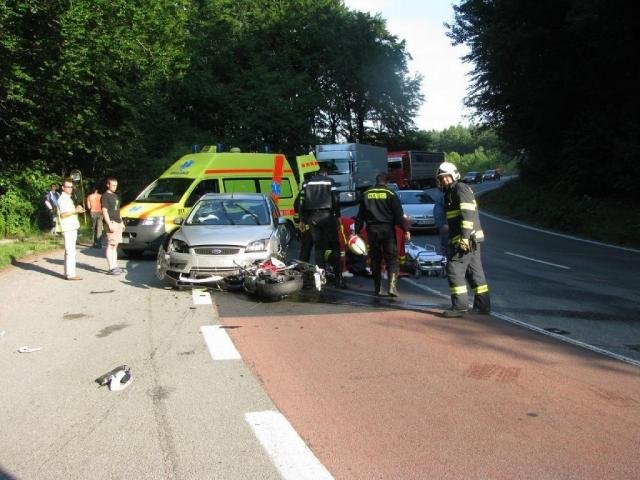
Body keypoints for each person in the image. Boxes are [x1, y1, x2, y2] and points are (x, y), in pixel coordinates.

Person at [436, 161, 490, 317]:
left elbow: (467, 215)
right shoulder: (451, 192)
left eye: (446, 177)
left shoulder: (460, 188)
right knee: (475, 272)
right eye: (442, 178)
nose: (444, 180)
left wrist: (465, 239)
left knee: (454, 268)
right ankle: (482, 306)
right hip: (468, 238)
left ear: (453, 175)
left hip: (466, 238)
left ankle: (460, 307)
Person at [355, 173, 410, 297]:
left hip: (372, 231)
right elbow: (398, 216)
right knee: (392, 259)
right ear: (387, 182)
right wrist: (406, 229)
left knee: (375, 259)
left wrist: (357, 232)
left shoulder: (366, 194)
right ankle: (392, 287)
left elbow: (360, 216)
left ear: (376, 181)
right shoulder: (390, 194)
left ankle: (378, 288)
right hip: (387, 231)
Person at [298, 166, 345, 288]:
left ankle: (322, 277)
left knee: (319, 247)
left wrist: (302, 219)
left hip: (312, 218)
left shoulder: (306, 183)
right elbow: (335, 198)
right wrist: (338, 215)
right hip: (327, 216)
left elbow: (301, 202)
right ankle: (338, 278)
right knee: (334, 246)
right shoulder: (329, 181)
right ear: (325, 173)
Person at [57, 179, 85, 280]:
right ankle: (70, 274)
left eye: (71, 187)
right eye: (68, 187)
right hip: (68, 228)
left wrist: (76, 209)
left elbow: (70, 211)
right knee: (70, 251)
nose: (70, 189)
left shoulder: (68, 198)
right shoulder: (63, 199)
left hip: (71, 226)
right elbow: (63, 214)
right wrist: (76, 210)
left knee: (69, 251)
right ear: (63, 188)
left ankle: (67, 273)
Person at [102, 177, 124, 275]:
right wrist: (109, 224)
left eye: (116, 185)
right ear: (108, 185)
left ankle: (115, 266)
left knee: (115, 246)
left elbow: (118, 210)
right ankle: (111, 268)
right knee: (110, 245)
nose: (115, 187)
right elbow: (104, 211)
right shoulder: (105, 196)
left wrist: (122, 222)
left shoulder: (116, 196)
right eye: (113, 185)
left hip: (118, 222)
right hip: (111, 222)